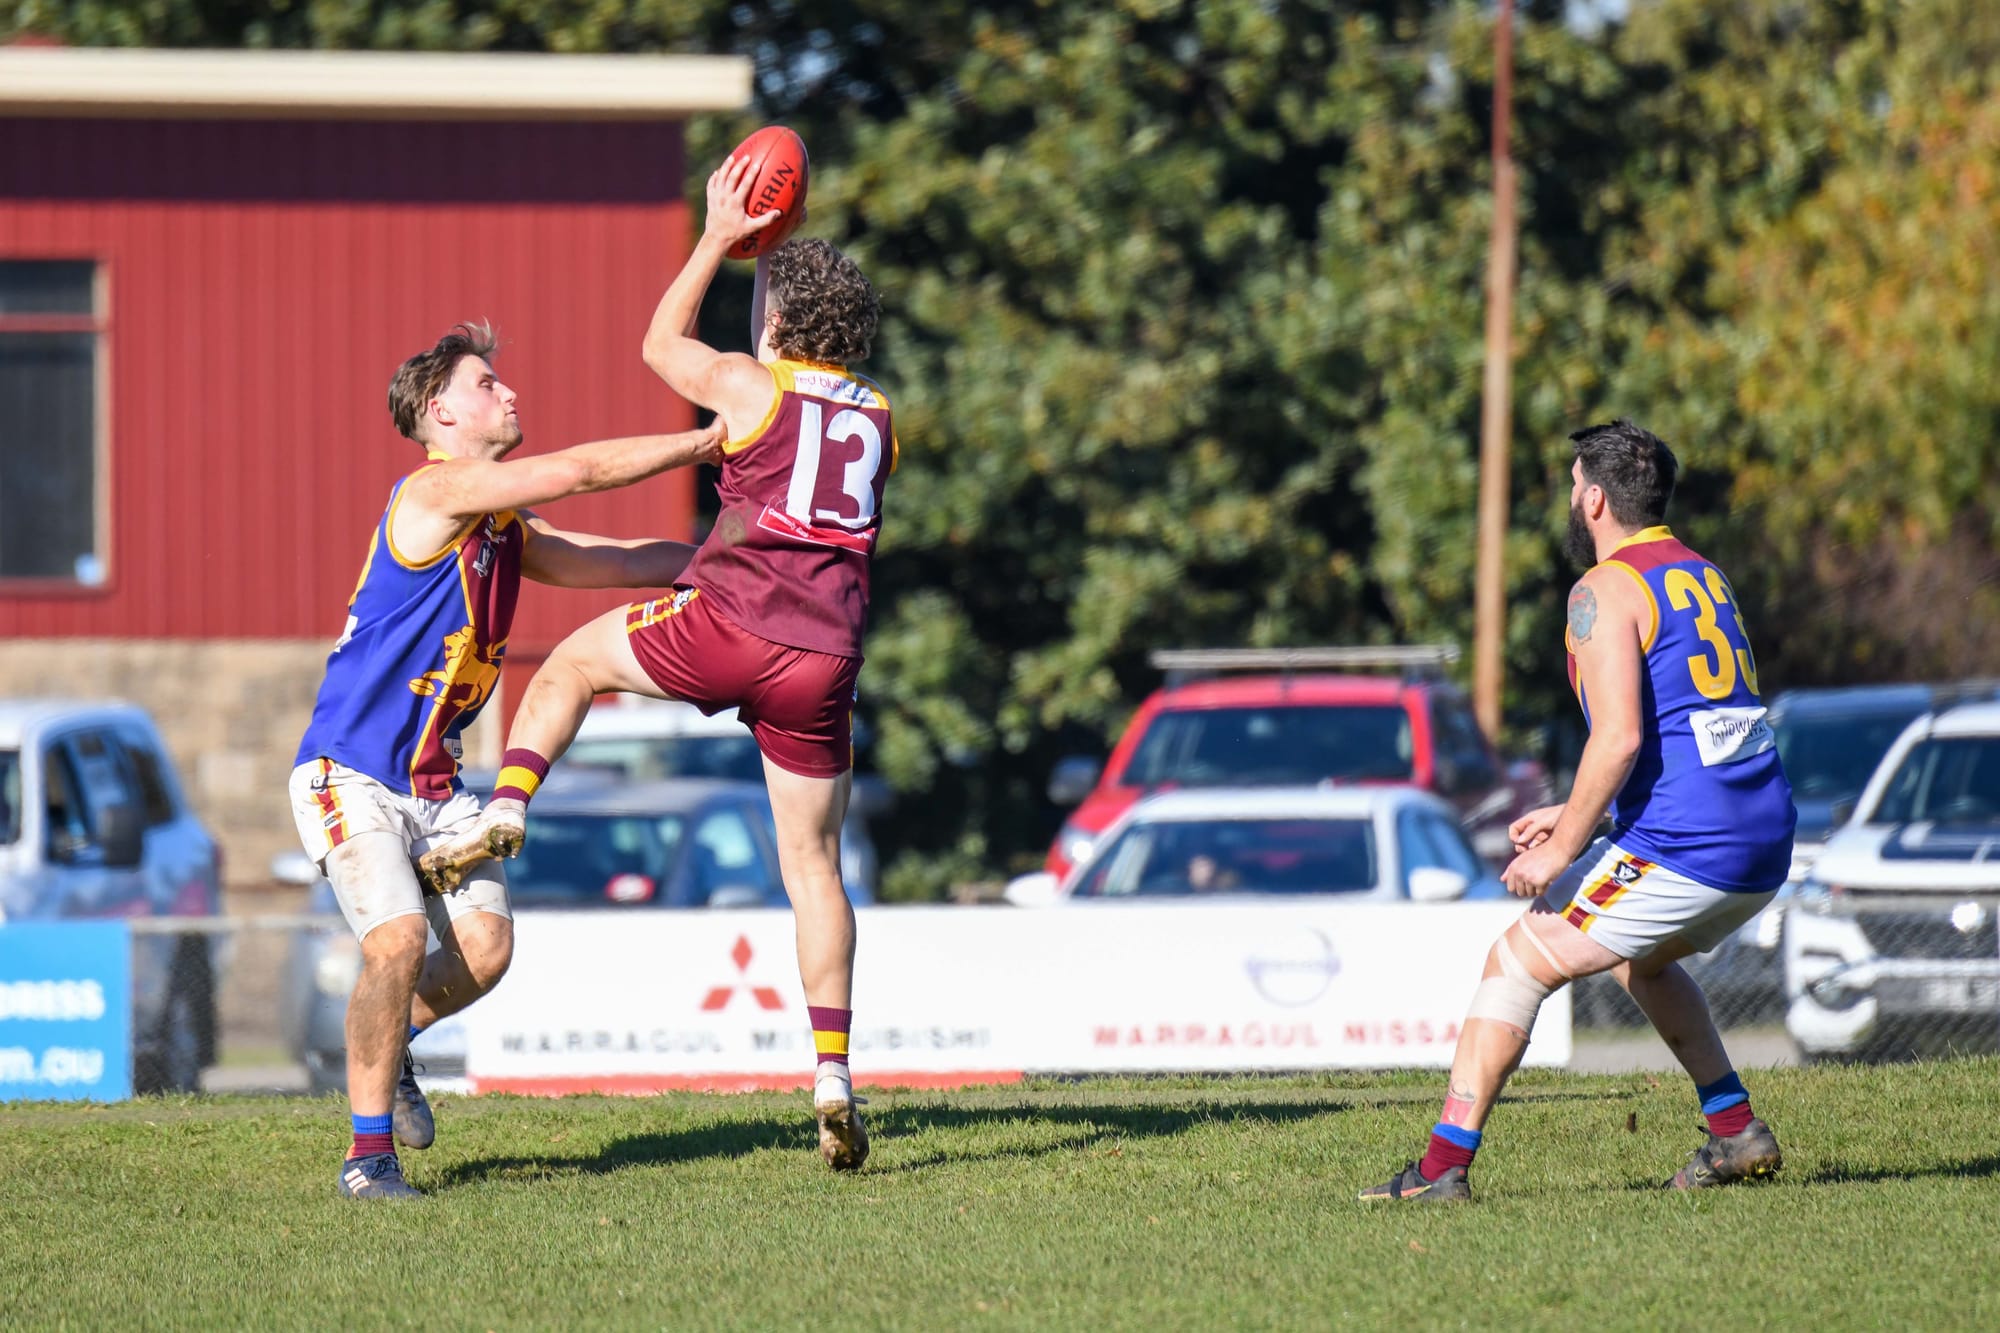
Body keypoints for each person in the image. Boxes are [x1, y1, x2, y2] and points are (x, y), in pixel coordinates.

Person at [419, 155, 892, 1172]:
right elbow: (798, 381)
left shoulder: (744, 385)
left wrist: (723, 236)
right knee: (814, 865)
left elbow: (660, 344)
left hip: (733, 620)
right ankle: (833, 1074)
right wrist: (780, 257)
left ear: (773, 331)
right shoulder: (874, 416)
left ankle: (508, 802)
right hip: (825, 658)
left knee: (570, 669)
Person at [292, 322, 724, 1201]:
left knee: (486, 951)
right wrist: (710, 438)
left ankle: (391, 1047)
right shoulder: (434, 491)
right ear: (439, 411)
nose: (510, 394)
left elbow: (604, 557)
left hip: (434, 784)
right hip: (350, 772)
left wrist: (712, 567)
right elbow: (578, 471)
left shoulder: (500, 528)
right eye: (488, 384)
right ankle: (366, 1159)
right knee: (400, 939)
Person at [1359, 419, 1795, 1203]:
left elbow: (1622, 736)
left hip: (1692, 845)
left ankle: (1438, 1171)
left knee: (1514, 964)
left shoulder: (1601, 590)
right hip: (1763, 835)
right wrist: (1580, 810)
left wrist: (1560, 847)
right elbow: (1685, 732)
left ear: (1593, 498)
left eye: (1570, 486)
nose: (1569, 498)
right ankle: (1735, 1132)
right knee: (1643, 960)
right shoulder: (1703, 573)